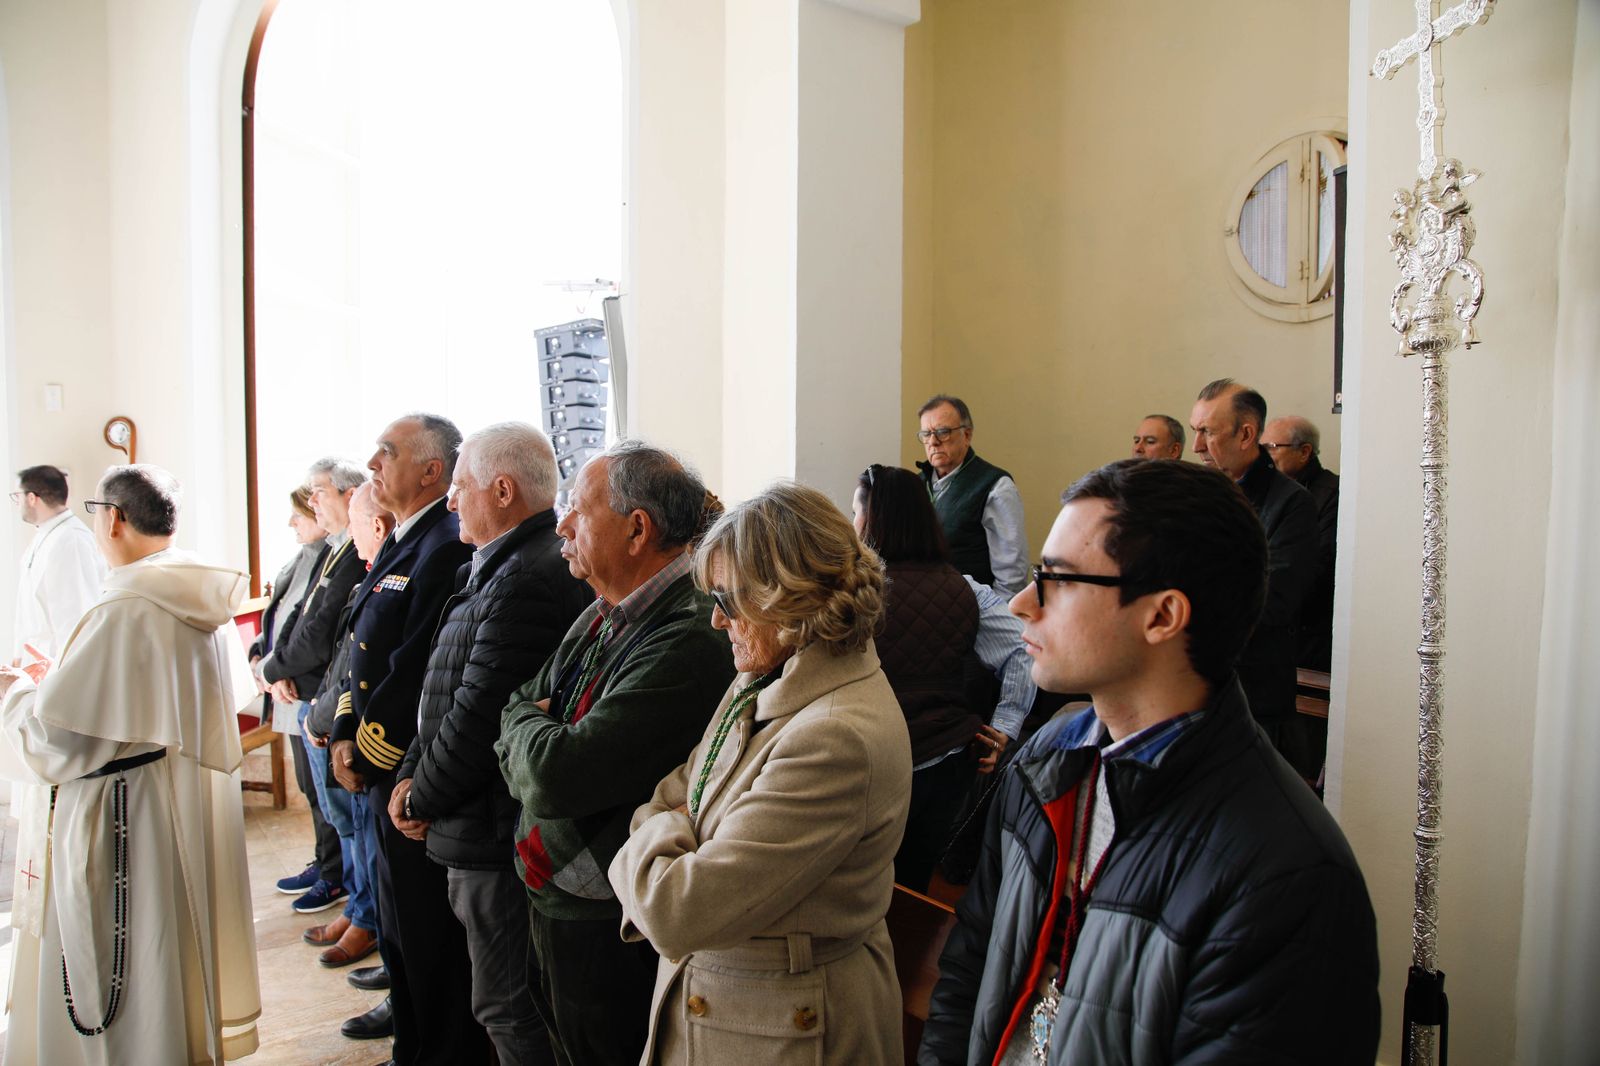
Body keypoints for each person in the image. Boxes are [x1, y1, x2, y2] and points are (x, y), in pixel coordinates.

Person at [919, 459, 1379, 1065]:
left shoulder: (1288, 876)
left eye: (1056, 578)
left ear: (1162, 615)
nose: (1025, 603)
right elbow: (972, 962)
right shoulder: (1048, 758)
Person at [609, 481, 912, 1065]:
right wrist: (677, 826)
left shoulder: (832, 735)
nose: (717, 623)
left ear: (787, 598)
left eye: (727, 600)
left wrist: (668, 829)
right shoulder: (767, 674)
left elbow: (678, 909)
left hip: (783, 1027)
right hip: (734, 1000)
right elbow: (677, 788)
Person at [0, 464, 263, 1065]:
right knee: (158, 951)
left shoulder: (124, 610)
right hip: (163, 798)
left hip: (114, 812)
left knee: (116, 970)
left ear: (113, 518)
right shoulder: (190, 592)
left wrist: (16, 691)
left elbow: (56, 740)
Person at [497, 440, 735, 1066]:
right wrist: (529, 723)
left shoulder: (688, 633)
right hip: (560, 887)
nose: (561, 523)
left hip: (609, 915)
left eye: (578, 508)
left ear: (637, 530)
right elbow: (518, 701)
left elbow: (556, 776)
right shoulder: (606, 610)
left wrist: (527, 732)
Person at [389, 423, 591, 1065]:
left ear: (502, 491)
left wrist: (420, 795)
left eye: (459, 487)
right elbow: (441, 691)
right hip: (471, 821)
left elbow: (481, 719)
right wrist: (414, 773)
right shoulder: (497, 568)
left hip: (492, 828)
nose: (450, 503)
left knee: (509, 1007)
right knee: (495, 1002)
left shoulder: (524, 576)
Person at [329, 414, 479, 1059]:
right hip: (372, 757)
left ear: (431, 471)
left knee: (424, 933)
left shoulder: (445, 544)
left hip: (403, 767)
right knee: (397, 925)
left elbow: (415, 667)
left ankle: (431, 1050)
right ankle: (411, 1043)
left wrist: (365, 752)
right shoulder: (402, 542)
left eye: (386, 453)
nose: (371, 463)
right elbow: (357, 644)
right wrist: (340, 728)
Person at [851, 464, 1034, 892]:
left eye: (856, 512)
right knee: (913, 886)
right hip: (943, 765)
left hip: (865, 763)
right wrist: (1005, 727)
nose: (851, 524)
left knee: (861, 886)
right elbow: (1024, 653)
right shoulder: (967, 590)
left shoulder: (849, 593)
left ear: (875, 519)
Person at [1189, 378, 1319, 777]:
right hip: (1191, 685)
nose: (1196, 447)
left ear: (1246, 434)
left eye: (1206, 432)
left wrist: (1187, 600)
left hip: (1252, 693)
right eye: (1195, 431)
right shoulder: (1196, 493)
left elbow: (1274, 599)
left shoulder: (1291, 503)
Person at [301, 483, 391, 1003]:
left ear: (376, 527)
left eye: (358, 525)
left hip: (371, 742)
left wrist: (337, 725)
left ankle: (368, 920)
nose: (351, 537)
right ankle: (362, 912)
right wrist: (330, 721)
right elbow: (346, 654)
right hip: (343, 725)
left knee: (367, 839)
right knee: (351, 829)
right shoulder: (372, 573)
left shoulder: (391, 573)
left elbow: (372, 668)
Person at [249, 485, 344, 914]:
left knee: (324, 790)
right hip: (288, 683)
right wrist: (260, 650)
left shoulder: (333, 555)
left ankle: (333, 873)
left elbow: (315, 631)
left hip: (305, 685)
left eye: (299, 514)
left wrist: (278, 669)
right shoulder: (304, 557)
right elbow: (285, 614)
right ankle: (325, 862)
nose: (293, 523)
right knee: (311, 787)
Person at [916, 395, 1028, 596]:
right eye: (926, 434)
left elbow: (1011, 576)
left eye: (943, 432)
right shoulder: (915, 484)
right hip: (922, 607)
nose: (933, 442)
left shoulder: (996, 486)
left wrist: (997, 619)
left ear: (966, 435)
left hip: (974, 611)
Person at [1262, 415, 1340, 671]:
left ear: (1304, 451)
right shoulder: (1267, 492)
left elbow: (1321, 565)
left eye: (1271, 448)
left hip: (1308, 634)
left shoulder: (1332, 493)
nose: (1263, 457)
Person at [11, 464, 106, 664]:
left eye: (16, 496)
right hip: (36, 664)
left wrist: (60, 670)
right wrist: (18, 657)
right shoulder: (47, 534)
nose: (16, 503)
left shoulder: (71, 540)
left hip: (57, 665)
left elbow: (77, 616)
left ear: (31, 498)